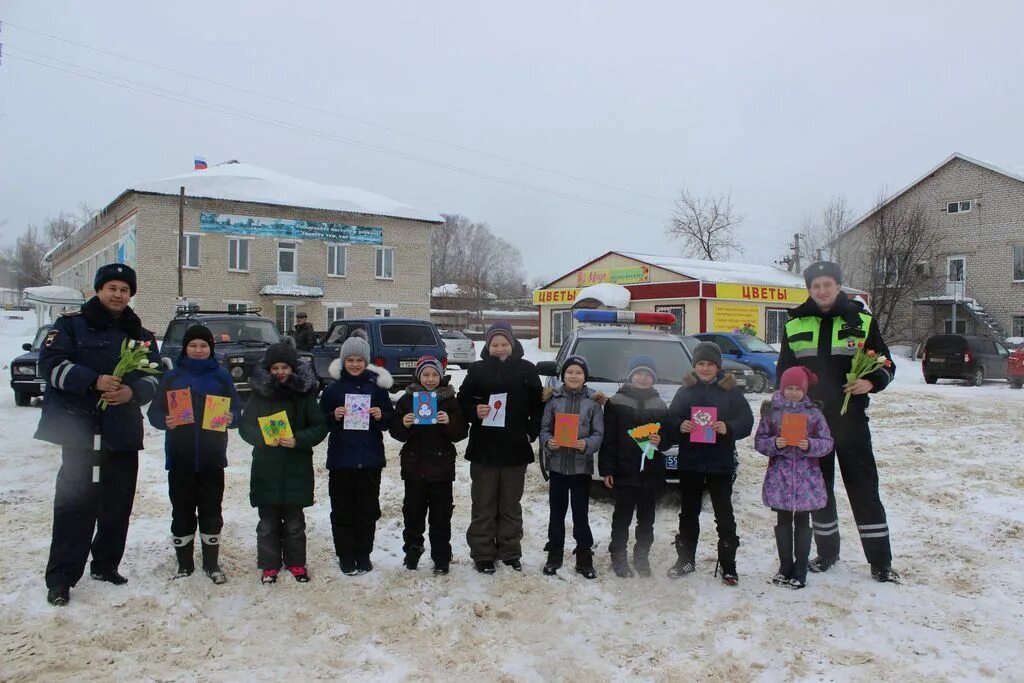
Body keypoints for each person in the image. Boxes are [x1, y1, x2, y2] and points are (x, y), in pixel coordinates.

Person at [36, 263, 162, 606]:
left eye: (124, 289)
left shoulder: (141, 334)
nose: (118, 295)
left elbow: (154, 376)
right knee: (75, 504)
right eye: (112, 288)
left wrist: (131, 394)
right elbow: (49, 365)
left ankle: (106, 564)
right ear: (99, 290)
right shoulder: (71, 326)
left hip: (121, 431)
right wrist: (93, 381)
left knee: (118, 503)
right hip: (81, 432)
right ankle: (61, 577)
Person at [777, 261, 900, 583]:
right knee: (818, 491)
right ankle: (827, 552)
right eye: (815, 286)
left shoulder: (861, 320)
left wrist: (871, 382)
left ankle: (880, 562)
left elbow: (886, 362)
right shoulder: (794, 323)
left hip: (850, 420)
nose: (821, 291)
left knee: (863, 489)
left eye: (827, 285)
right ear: (809, 290)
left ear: (838, 286)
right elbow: (784, 375)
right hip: (809, 422)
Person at [147, 324, 242, 584]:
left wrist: (232, 417)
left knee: (212, 510)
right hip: (180, 458)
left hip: (212, 458)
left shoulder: (221, 376)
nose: (198, 350)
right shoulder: (172, 377)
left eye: (203, 346)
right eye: (193, 345)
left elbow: (237, 411)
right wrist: (164, 420)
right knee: (182, 510)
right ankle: (184, 564)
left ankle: (211, 563)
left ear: (210, 349)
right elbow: (153, 413)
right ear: (185, 348)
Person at [457, 321, 544, 574]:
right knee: (483, 504)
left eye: (504, 343)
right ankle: (483, 553)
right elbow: (462, 401)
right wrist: (474, 411)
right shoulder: (477, 370)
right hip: (484, 449)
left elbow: (540, 406)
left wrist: (531, 432)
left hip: (515, 449)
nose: (500, 348)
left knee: (510, 504)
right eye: (495, 344)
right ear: (488, 346)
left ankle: (510, 551)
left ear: (513, 344)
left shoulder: (527, 370)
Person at [238, 341, 328, 584]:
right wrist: (264, 439)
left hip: (296, 467)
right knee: (267, 524)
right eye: (275, 367)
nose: (280, 372)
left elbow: (320, 426)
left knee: (294, 523)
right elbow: (245, 427)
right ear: (268, 369)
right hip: (266, 468)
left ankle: (296, 562)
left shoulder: (305, 395)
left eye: (284, 367)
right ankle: (269, 565)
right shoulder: (259, 395)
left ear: (293, 369)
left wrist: (297, 439)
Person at [665, 342, 754, 586]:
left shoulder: (731, 391)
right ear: (694, 366)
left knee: (724, 514)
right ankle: (686, 559)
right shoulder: (685, 391)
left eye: (710, 364)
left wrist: (729, 427)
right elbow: (670, 420)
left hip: (720, 463)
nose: (705, 368)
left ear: (718, 367)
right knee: (688, 513)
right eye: (701, 364)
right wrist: (679, 426)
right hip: (691, 462)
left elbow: (747, 421)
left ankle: (728, 565)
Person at [319, 332, 394, 575]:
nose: (354, 364)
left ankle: (363, 554)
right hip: (342, 462)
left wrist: (382, 416)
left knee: (367, 511)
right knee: (342, 511)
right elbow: (321, 423)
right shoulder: (333, 391)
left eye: (359, 360)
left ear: (366, 362)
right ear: (343, 362)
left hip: (370, 461)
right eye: (350, 360)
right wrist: (333, 416)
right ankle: (345, 555)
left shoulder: (377, 389)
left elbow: (389, 421)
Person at [753, 366, 833, 589]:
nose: (793, 392)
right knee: (783, 520)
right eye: (789, 388)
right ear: (782, 387)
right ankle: (785, 565)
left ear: (805, 390)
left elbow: (827, 443)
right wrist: (774, 444)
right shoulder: (772, 411)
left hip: (807, 478)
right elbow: (760, 440)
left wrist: (810, 445)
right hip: (781, 478)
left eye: (798, 388)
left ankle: (800, 567)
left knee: (803, 521)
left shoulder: (814, 413)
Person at [390, 356, 468, 575]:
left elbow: (462, 432)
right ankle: (412, 552)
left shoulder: (449, 400)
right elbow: (395, 431)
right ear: (418, 376)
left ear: (441, 376)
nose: (431, 379)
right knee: (413, 514)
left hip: (441, 470)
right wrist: (403, 423)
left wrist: (449, 423)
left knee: (441, 517)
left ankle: (441, 556)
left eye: (435, 375)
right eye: (426, 374)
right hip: (414, 469)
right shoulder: (407, 399)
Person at [597, 356, 669, 579]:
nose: (643, 378)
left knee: (647, 518)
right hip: (624, 469)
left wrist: (662, 440)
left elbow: (667, 438)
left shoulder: (660, 405)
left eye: (648, 375)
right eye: (639, 373)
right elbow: (608, 438)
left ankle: (642, 554)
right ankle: (618, 554)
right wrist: (607, 469)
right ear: (630, 376)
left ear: (653, 379)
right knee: (622, 516)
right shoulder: (616, 402)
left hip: (650, 471)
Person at [539, 355, 605, 579]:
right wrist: (548, 442)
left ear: (585, 376)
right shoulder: (554, 401)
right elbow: (544, 429)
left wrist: (586, 445)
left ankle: (584, 556)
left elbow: (598, 434)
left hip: (581, 469)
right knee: (556, 514)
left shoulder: (593, 403)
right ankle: (555, 553)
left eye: (578, 372)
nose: (574, 376)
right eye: (570, 372)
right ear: (563, 375)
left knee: (580, 514)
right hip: (557, 467)